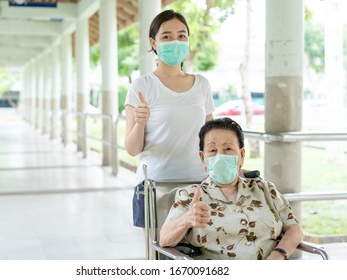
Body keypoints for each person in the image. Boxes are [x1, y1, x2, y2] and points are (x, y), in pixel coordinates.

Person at [159, 117, 304, 260]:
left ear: (241, 155)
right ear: (203, 159)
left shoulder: (265, 189)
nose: (220, 156)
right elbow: (164, 239)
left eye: (228, 148)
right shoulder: (190, 195)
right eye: (212, 150)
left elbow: (294, 229)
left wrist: (278, 255)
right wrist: (186, 219)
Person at [124, 10, 215, 228]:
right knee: (159, 257)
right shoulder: (142, 86)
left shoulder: (202, 85)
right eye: (166, 36)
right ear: (153, 43)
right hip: (156, 188)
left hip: (198, 187)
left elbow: (211, 139)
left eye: (182, 35)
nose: (175, 41)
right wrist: (140, 123)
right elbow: (132, 149)